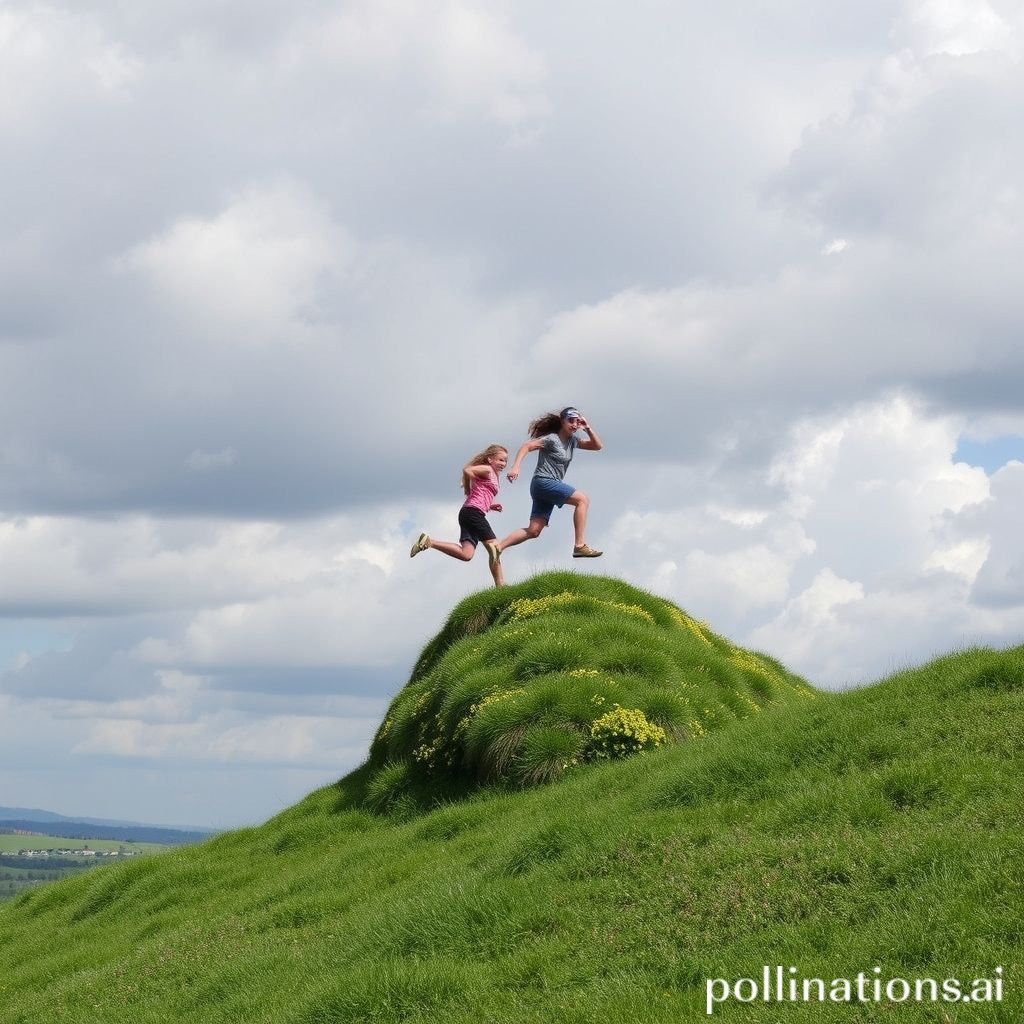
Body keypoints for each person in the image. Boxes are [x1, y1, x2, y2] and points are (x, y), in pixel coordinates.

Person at [499, 407, 603, 558]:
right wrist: (515, 467)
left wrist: (587, 428)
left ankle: (498, 547)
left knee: (534, 530)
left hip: (543, 489)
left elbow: (597, 446)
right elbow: (527, 446)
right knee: (582, 499)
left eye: (576, 421)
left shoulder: (573, 441)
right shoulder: (552, 439)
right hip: (543, 481)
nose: (574, 425)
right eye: (570, 421)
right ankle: (580, 545)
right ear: (562, 421)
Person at [409, 444, 507, 587]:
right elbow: (467, 470)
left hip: (469, 512)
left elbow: (480, 492)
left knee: (466, 554)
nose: (503, 464)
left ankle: (429, 542)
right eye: (500, 460)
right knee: (495, 548)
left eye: (505, 461)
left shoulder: (493, 475)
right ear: (490, 459)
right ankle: (501, 586)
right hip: (473, 513)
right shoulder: (487, 470)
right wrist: (469, 485)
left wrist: (490, 505)